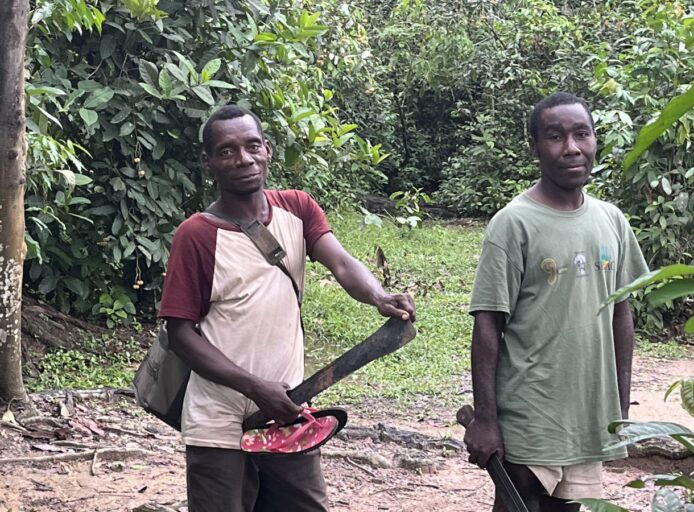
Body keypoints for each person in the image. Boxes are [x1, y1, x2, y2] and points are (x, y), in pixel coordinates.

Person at [158, 105, 415, 512]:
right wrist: (255, 387)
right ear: (208, 163)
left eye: (252, 146)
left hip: (287, 413)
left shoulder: (297, 208)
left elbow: (343, 263)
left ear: (268, 150)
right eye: (226, 151)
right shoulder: (196, 235)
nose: (243, 159)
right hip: (219, 423)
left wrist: (379, 297)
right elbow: (181, 333)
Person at [463, 92, 648, 511]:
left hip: (587, 414)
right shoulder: (513, 224)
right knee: (521, 505)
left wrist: (620, 405)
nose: (571, 148)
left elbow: (621, 313)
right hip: (530, 413)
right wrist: (487, 419)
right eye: (555, 136)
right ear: (535, 147)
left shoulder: (612, 220)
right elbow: (488, 324)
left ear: (595, 140)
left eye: (581, 134)